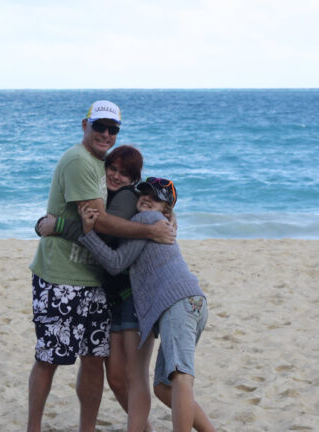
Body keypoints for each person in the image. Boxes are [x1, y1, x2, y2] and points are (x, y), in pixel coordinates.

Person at [27, 101, 175, 432]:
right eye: (100, 127)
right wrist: (150, 229)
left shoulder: (104, 171)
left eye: (113, 129)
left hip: (94, 282)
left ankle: (87, 428)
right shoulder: (80, 162)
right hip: (61, 276)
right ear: (85, 125)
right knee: (49, 359)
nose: (105, 134)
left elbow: (108, 222)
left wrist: (162, 218)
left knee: (93, 360)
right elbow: (100, 224)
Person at [78, 177, 215, 432]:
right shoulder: (157, 220)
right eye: (144, 193)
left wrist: (88, 234)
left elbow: (116, 262)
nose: (146, 198)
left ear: (166, 208)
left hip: (178, 303)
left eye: (155, 197)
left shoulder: (147, 220)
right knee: (163, 387)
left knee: (180, 376)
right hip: (192, 303)